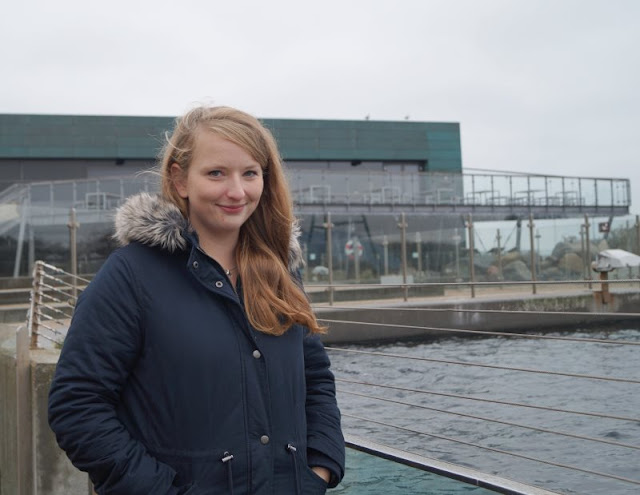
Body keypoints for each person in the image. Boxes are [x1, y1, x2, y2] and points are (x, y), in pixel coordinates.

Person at [48, 105, 345, 494]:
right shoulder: (130, 276)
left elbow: (316, 379)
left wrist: (318, 471)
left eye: (250, 173)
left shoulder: (280, 274)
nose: (237, 191)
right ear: (180, 179)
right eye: (216, 173)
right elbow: (77, 407)